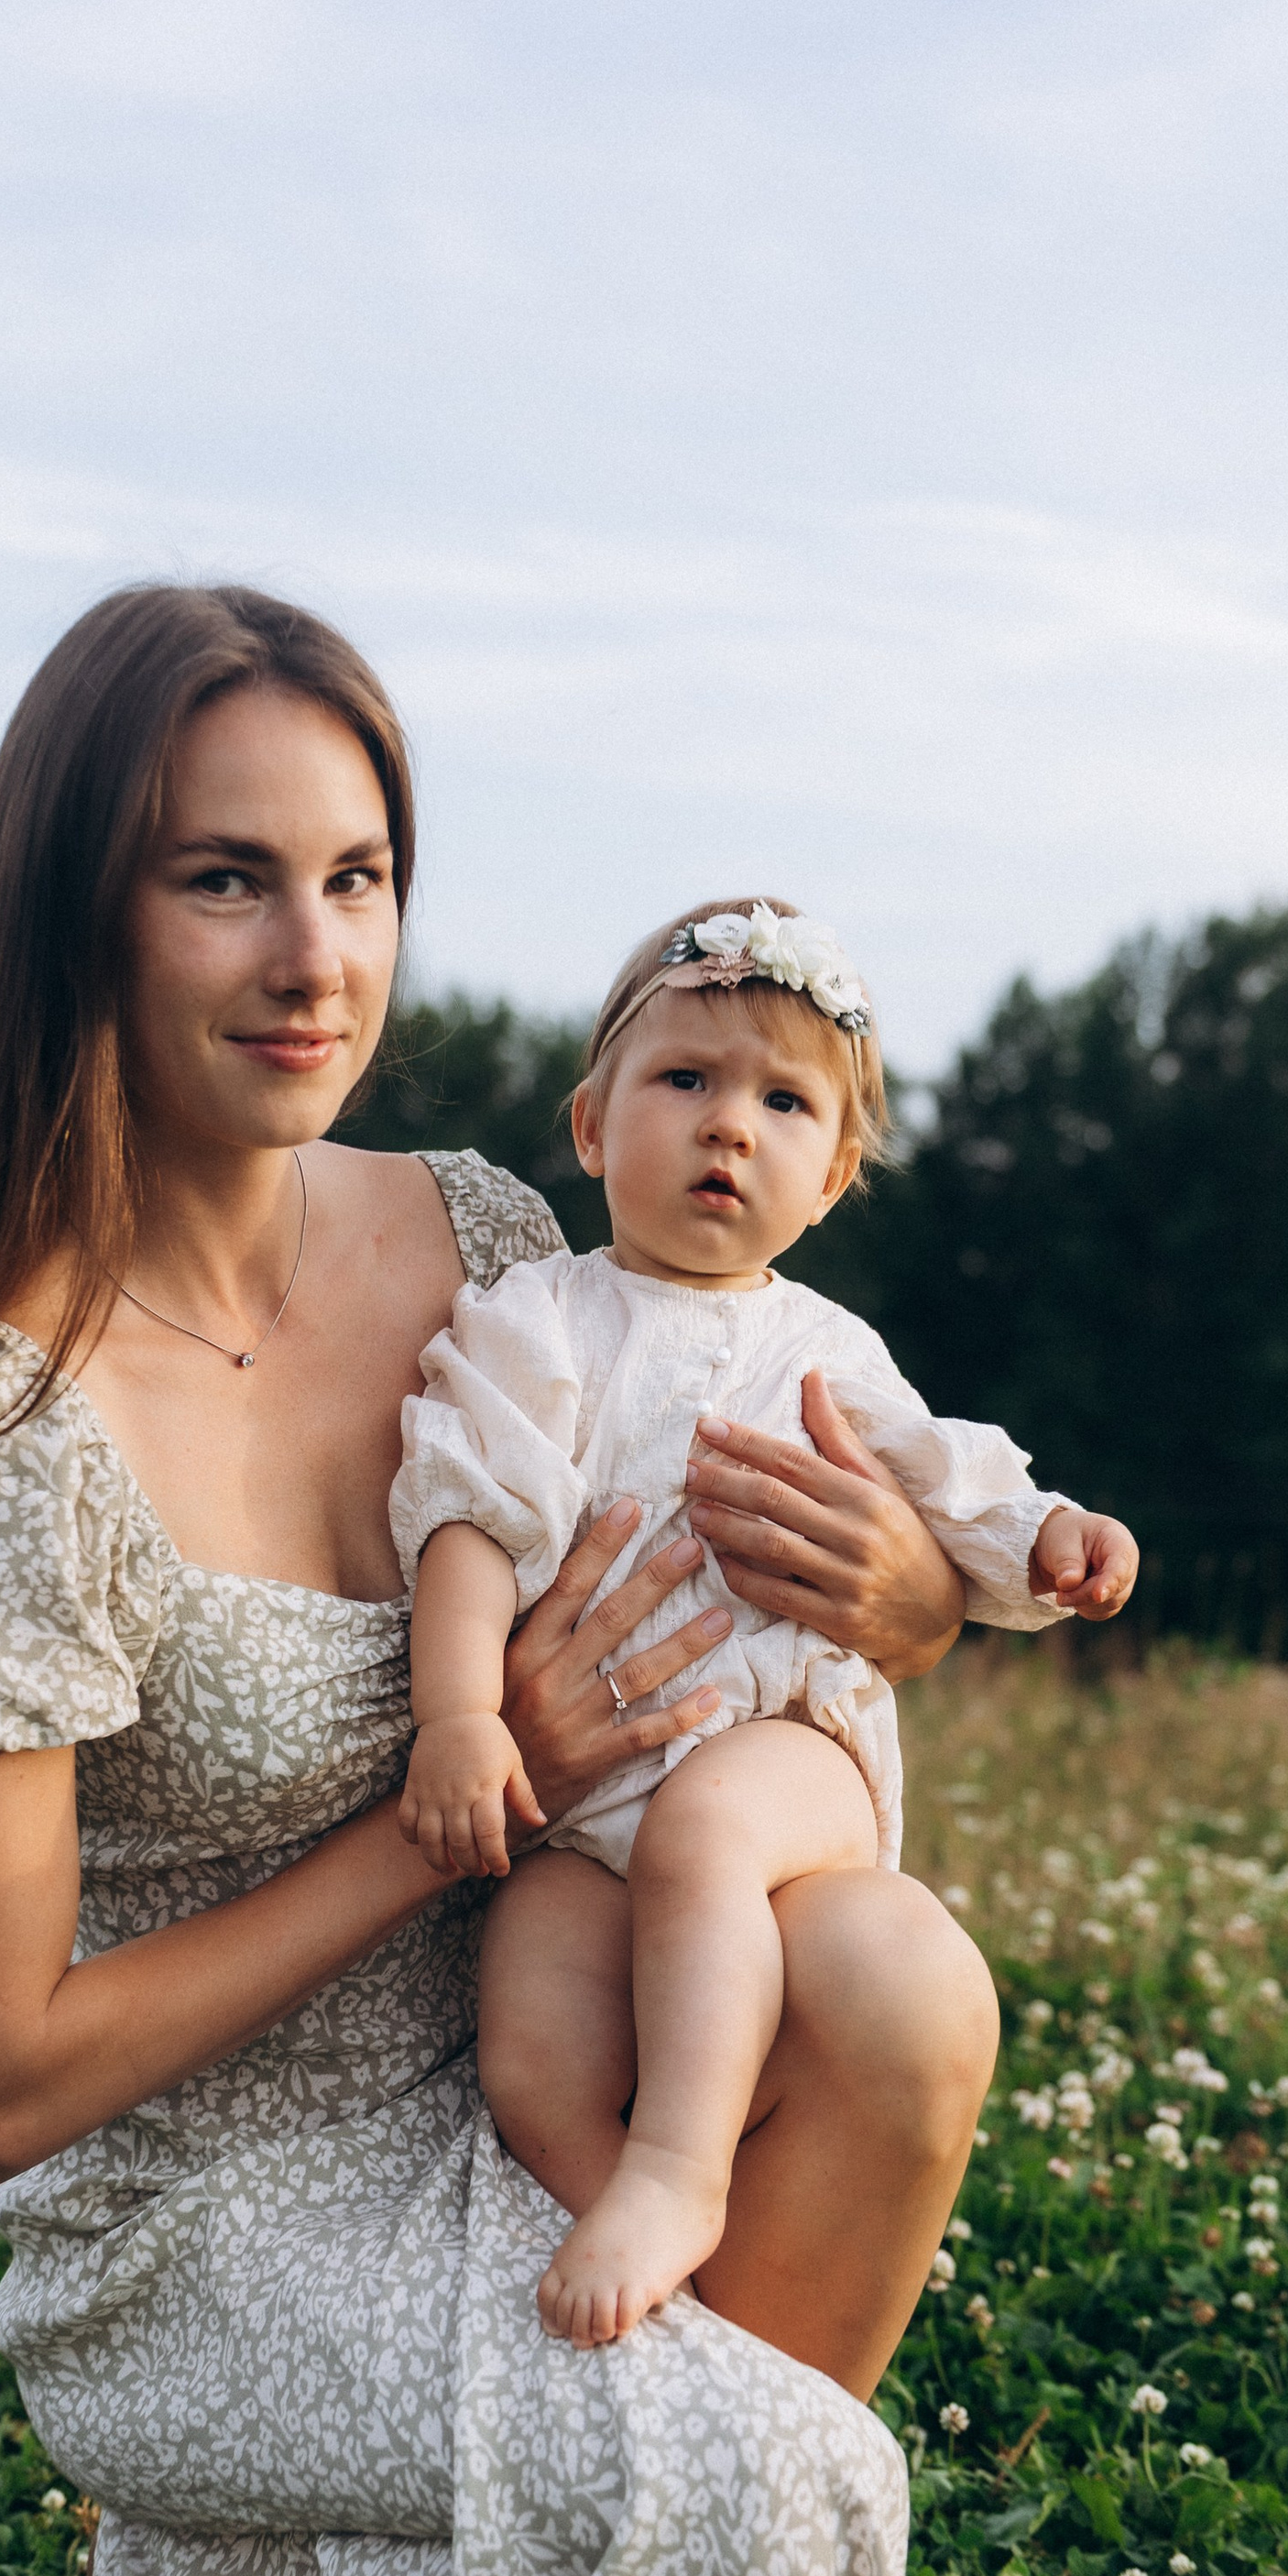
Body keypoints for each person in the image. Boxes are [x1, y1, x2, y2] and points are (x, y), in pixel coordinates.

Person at [0, 580, 1139, 2576]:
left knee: (903, 1983)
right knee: (779, 2487)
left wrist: (918, 1598)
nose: (314, 959)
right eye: (224, 878)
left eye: (360, 878)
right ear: (79, 908)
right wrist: (426, 1823)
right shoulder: (0, 1424)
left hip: (550, 2035)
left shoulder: (495, 1241)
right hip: (219, 2183)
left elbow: (786, 1616)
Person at [395, 897, 1136, 2345]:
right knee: (529, 2034)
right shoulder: (537, 1319)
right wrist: (458, 1715)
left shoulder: (824, 1348)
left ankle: (681, 2174)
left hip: (782, 1749)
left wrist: (1051, 1533)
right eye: (685, 1082)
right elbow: (470, 1514)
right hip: (580, 1801)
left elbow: (946, 1474)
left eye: (783, 1102)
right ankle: (670, 2280)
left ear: (836, 1174)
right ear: (595, 1125)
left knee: (709, 1834)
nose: (729, 1127)